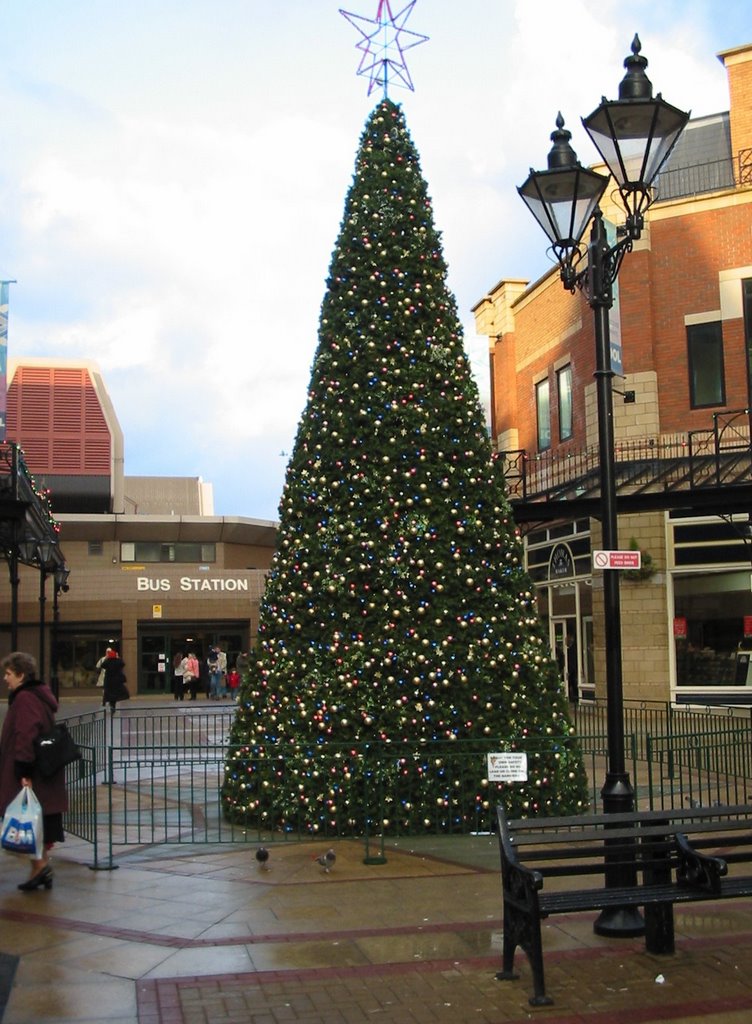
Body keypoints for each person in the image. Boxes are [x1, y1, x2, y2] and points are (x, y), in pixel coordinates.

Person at [0, 651, 67, 891]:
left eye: (8, 674)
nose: (5, 679)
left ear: (21, 674)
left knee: (27, 820)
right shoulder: (36, 696)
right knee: (37, 820)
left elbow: (25, 735)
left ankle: (40, 867)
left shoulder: (25, 698)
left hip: (31, 772)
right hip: (41, 773)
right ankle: (40, 868)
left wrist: (23, 770)